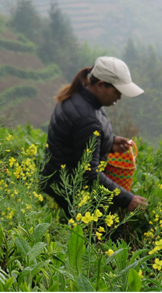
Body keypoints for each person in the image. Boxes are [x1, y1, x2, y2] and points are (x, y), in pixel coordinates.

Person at [40, 56, 148, 217]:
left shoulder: (81, 99)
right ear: (100, 86)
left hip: (57, 180)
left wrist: (109, 143)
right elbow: (89, 174)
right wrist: (128, 200)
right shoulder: (87, 117)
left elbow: (75, 141)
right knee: (94, 237)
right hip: (68, 189)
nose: (119, 98)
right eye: (117, 92)